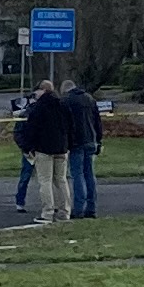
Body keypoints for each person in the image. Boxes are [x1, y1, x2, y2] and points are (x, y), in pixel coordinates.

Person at [15, 82, 72, 222]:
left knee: (45, 181)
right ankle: (64, 212)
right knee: (61, 180)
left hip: (44, 149)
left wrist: (28, 147)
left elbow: (31, 129)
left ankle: (48, 212)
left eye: (36, 92)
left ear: (43, 90)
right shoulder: (63, 105)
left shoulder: (38, 108)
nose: (35, 95)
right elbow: (71, 125)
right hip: (62, 147)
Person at [66, 84, 102, 220]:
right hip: (90, 140)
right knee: (90, 174)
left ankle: (79, 209)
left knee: (78, 175)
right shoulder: (90, 99)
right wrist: (99, 140)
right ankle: (91, 209)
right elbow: (97, 122)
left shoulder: (67, 101)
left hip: (76, 142)